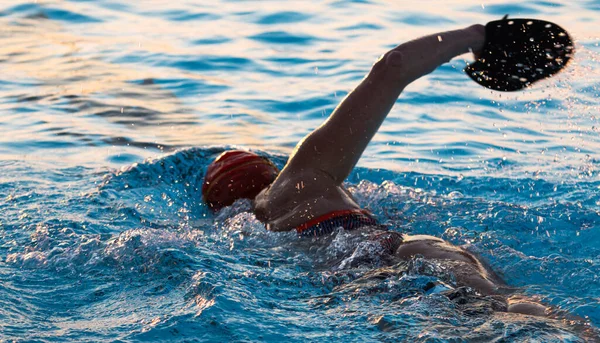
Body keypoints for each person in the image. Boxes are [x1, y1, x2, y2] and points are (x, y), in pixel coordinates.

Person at [202, 24, 549, 316]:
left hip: (360, 289)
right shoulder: (301, 173)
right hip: (402, 251)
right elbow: (393, 65)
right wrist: (478, 35)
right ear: (270, 170)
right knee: (517, 311)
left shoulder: (246, 237)